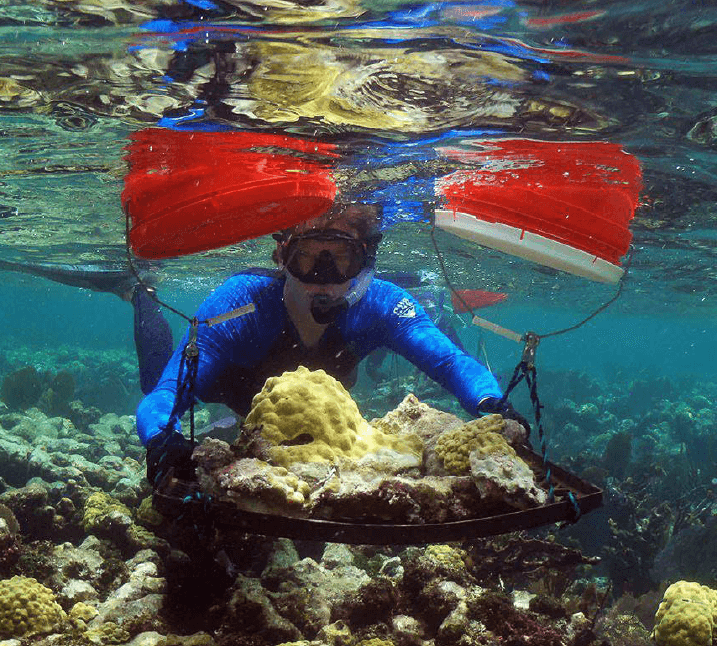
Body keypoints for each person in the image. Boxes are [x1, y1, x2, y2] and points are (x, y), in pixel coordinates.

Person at [139, 203, 531, 492]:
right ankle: (142, 293)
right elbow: (168, 393)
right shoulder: (239, 302)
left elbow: (447, 360)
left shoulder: (383, 303)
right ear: (282, 257)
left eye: (341, 259)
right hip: (229, 388)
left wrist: (490, 402)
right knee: (154, 380)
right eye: (306, 258)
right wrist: (161, 439)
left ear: (364, 264)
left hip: (311, 410)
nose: (322, 279)